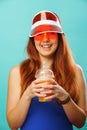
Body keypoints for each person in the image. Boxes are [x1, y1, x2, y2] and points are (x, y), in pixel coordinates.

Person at [6, 10, 87, 130]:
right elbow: (13, 125)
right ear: (33, 39)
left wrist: (64, 97)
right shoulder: (17, 72)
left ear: (60, 37)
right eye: (39, 34)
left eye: (51, 33)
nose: (45, 39)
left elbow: (80, 123)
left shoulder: (75, 71)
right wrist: (28, 94)